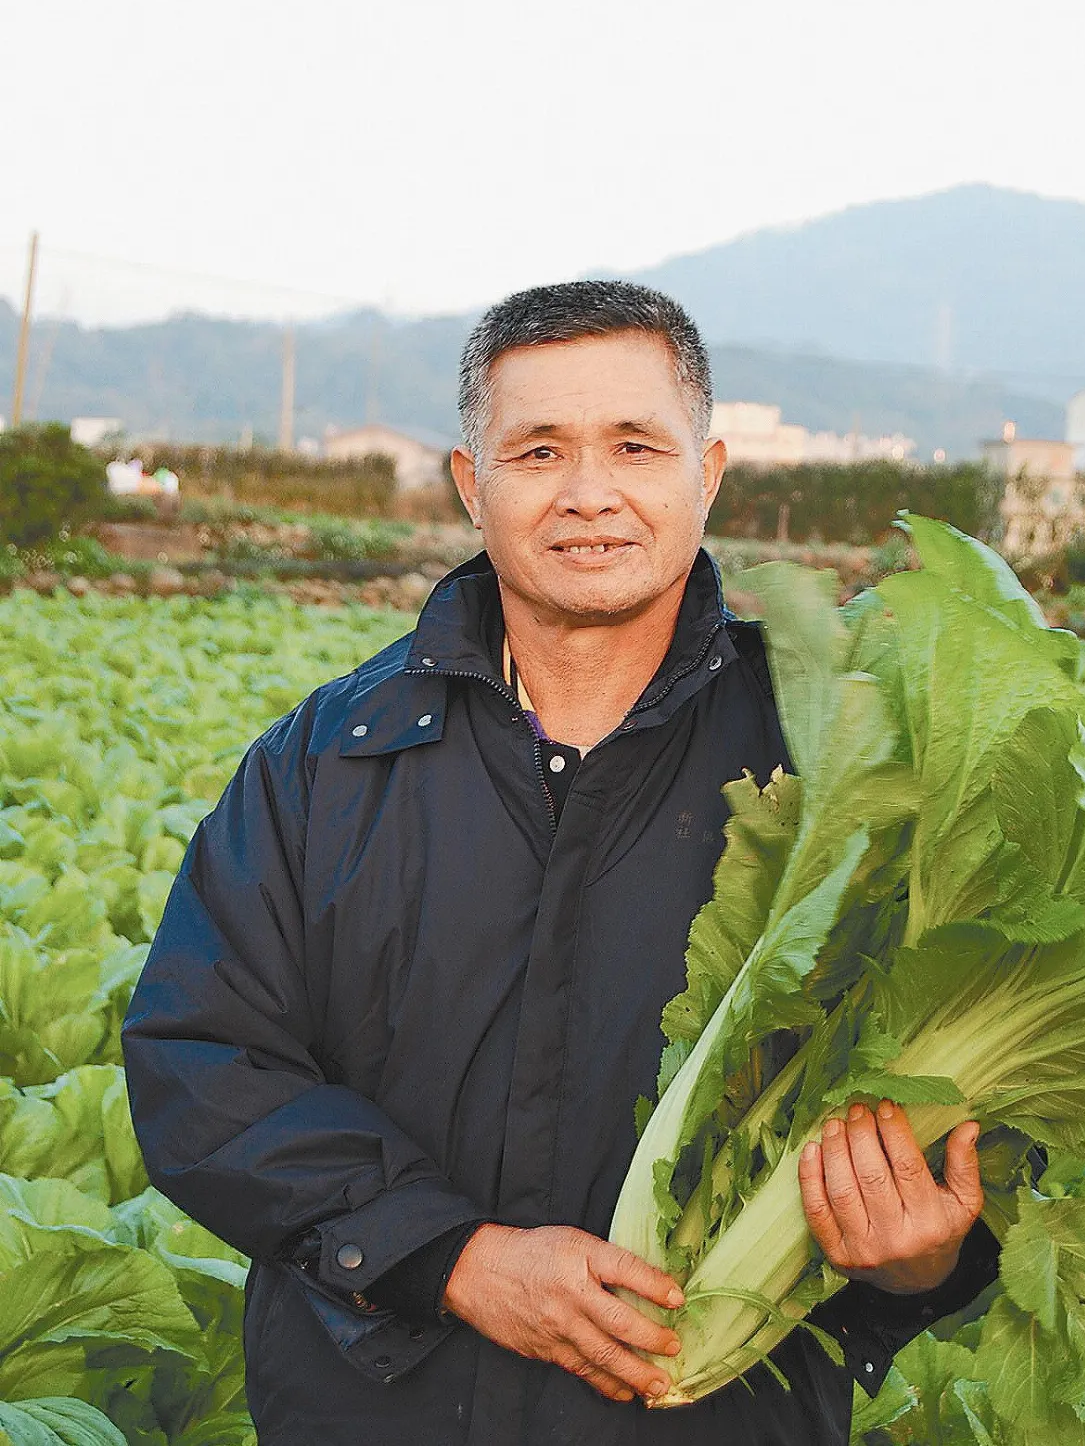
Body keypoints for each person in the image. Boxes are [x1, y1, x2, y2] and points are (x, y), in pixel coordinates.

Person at [123, 281, 998, 1446]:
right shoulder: (325, 762)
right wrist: (452, 1257)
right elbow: (200, 1063)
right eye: (539, 450)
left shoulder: (847, 769)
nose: (590, 493)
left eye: (636, 445)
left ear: (712, 471)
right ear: (470, 482)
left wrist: (926, 1257)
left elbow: (970, 1094)